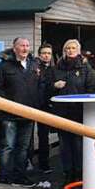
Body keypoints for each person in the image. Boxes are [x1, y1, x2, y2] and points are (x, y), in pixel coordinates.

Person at [0, 37, 46, 189]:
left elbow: (41, 85)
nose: (25, 48)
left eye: (27, 46)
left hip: (29, 114)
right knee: (7, 147)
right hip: (9, 115)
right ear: (14, 47)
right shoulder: (3, 66)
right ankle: (5, 179)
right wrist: (7, 105)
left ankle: (20, 177)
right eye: (22, 45)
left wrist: (38, 104)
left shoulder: (34, 65)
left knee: (23, 148)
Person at [52, 39, 95, 184]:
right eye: (67, 48)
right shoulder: (58, 68)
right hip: (62, 113)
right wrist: (54, 86)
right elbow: (47, 87)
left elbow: (92, 88)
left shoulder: (85, 68)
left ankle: (80, 176)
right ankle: (68, 176)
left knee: (78, 145)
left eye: (73, 48)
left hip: (79, 113)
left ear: (78, 51)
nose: (70, 51)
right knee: (64, 146)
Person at [35, 44, 56, 176]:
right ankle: (43, 164)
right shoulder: (35, 68)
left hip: (53, 105)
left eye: (48, 53)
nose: (46, 55)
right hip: (40, 106)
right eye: (43, 53)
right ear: (39, 54)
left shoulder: (54, 69)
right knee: (42, 136)